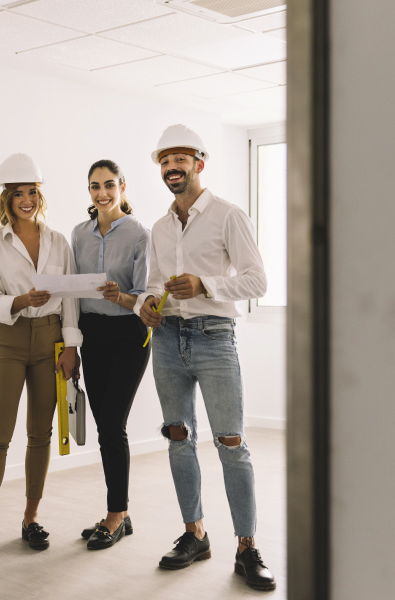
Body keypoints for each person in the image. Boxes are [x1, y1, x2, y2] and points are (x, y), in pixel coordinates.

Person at [136, 125, 276, 591]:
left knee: (231, 444)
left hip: (215, 336)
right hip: (168, 339)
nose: (172, 167)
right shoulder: (158, 227)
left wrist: (205, 285)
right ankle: (195, 534)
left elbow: (257, 281)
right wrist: (149, 303)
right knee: (178, 437)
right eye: (165, 161)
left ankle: (247, 546)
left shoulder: (228, 216)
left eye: (180, 159)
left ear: (199, 162)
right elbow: (155, 282)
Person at [0, 153, 80, 562]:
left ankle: (31, 519)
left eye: (32, 192)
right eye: (17, 194)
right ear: (6, 199)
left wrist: (71, 347)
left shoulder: (58, 241)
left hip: (49, 341)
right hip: (8, 339)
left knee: (40, 434)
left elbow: (69, 300)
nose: (26, 200)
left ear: (39, 195)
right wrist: (21, 300)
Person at [71, 159, 151, 550]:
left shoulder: (139, 233)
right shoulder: (79, 234)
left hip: (128, 335)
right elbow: (72, 289)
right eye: (94, 186)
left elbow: (146, 295)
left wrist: (120, 295)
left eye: (108, 185)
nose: (101, 193)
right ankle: (119, 512)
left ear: (122, 186)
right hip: (92, 334)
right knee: (103, 425)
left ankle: (116, 515)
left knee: (112, 425)